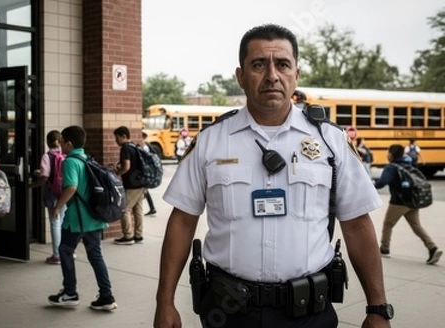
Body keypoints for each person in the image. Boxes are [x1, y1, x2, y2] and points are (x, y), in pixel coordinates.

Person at [154, 24, 392, 328]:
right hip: (227, 312)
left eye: (282, 64)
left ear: (296, 74)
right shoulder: (211, 141)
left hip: (309, 313)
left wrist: (378, 307)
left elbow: (357, 224)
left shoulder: (331, 142)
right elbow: (183, 221)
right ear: (241, 76)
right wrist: (165, 301)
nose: (271, 75)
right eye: (258, 64)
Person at [47, 125, 118, 311]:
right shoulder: (86, 158)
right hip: (94, 218)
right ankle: (106, 296)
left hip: (77, 219)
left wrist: (57, 206)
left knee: (64, 250)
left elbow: (71, 187)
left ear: (69, 143)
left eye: (61, 141)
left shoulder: (70, 161)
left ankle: (70, 293)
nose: (60, 144)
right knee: (95, 256)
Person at [373, 144, 442, 264]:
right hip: (412, 201)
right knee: (416, 225)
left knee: (388, 224)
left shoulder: (391, 167)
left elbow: (381, 183)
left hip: (398, 203)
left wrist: (372, 183)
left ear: (391, 154)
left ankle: (384, 249)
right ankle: (432, 248)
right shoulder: (407, 164)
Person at [31, 130, 66, 264]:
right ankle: (66, 252)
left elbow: (45, 177)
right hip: (64, 192)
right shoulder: (65, 155)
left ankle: (57, 255)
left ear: (47, 142)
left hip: (52, 192)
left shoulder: (47, 156)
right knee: (62, 222)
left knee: (54, 223)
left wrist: (32, 185)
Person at [112, 126, 146, 245]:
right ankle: (138, 235)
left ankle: (128, 236)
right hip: (141, 182)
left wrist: (116, 173)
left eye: (117, 138)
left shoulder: (125, 148)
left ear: (123, 136)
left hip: (132, 184)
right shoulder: (135, 146)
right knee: (138, 209)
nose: (115, 141)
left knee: (124, 209)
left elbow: (126, 166)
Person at [142, 132, 157, 216]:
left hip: (146, 171)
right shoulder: (147, 145)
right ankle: (152, 208)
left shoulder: (144, 147)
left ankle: (152, 208)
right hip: (147, 171)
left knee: (144, 191)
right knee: (145, 191)